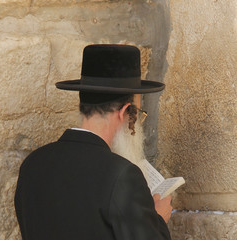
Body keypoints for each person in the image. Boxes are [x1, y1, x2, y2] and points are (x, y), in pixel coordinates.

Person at [14, 44, 172, 240]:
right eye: (137, 114)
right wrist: (157, 220)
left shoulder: (33, 164)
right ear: (124, 112)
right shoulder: (121, 175)